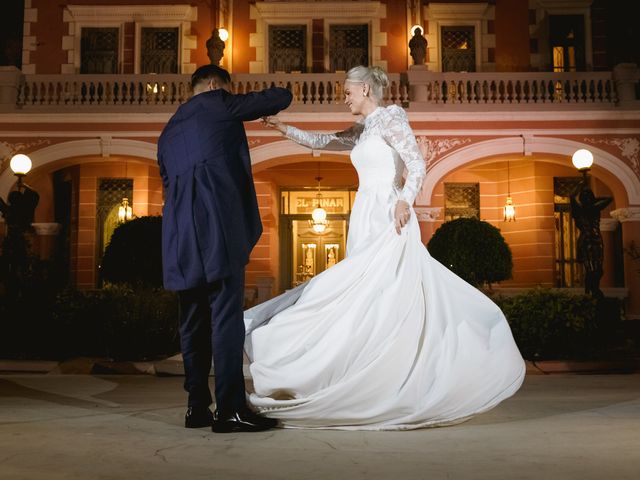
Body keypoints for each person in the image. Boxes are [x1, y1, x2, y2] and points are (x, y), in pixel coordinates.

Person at [246, 65, 525, 430]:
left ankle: (390, 377)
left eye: (347, 91)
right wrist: (285, 129)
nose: (343, 96)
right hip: (363, 215)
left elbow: (416, 163)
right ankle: (354, 368)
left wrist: (404, 201)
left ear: (365, 89)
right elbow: (323, 142)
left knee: (379, 294)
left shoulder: (391, 119)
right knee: (359, 296)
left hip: (387, 214)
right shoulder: (362, 131)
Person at [157, 65, 292, 433]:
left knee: (193, 321)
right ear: (216, 86)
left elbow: (167, 183)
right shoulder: (217, 103)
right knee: (225, 318)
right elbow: (278, 97)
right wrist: (279, 87)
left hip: (180, 235)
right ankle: (231, 409)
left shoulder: (168, 132)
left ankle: (196, 407)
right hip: (216, 226)